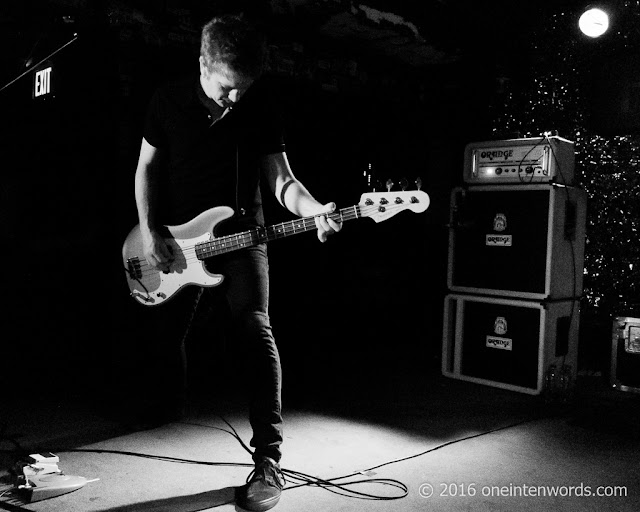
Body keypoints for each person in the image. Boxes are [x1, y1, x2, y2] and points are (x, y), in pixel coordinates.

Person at [132, 13, 341, 512]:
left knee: (254, 328)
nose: (235, 100)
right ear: (203, 63)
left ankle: (269, 460)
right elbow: (145, 169)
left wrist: (314, 210)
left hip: (244, 235)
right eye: (227, 88)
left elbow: (282, 181)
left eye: (243, 89)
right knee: (163, 336)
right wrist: (150, 231)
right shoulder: (167, 101)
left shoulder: (259, 105)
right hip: (175, 244)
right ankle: (159, 409)